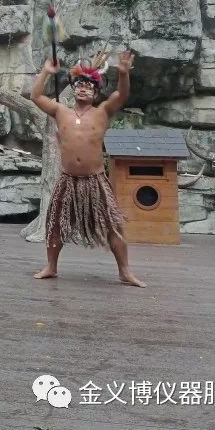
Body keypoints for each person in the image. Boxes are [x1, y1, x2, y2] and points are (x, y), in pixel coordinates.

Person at [30, 51, 145, 287]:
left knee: (113, 225)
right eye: (79, 85)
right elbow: (35, 96)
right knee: (55, 223)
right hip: (67, 179)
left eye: (89, 86)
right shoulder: (60, 111)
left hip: (96, 181)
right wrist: (46, 72)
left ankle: (124, 271)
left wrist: (123, 74)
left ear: (96, 92)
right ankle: (51, 266)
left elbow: (122, 94)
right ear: (73, 89)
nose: (83, 89)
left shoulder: (102, 112)